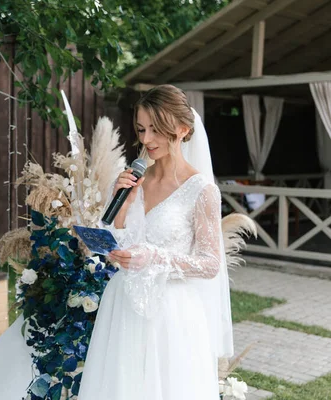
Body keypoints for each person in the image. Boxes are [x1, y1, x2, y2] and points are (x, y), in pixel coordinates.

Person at [78, 85, 233, 400]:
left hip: (172, 314)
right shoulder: (134, 181)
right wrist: (121, 203)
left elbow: (211, 264)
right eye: (141, 129)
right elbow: (121, 239)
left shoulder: (201, 190)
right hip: (122, 306)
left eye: (156, 130)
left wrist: (155, 257)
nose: (146, 140)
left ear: (182, 129)